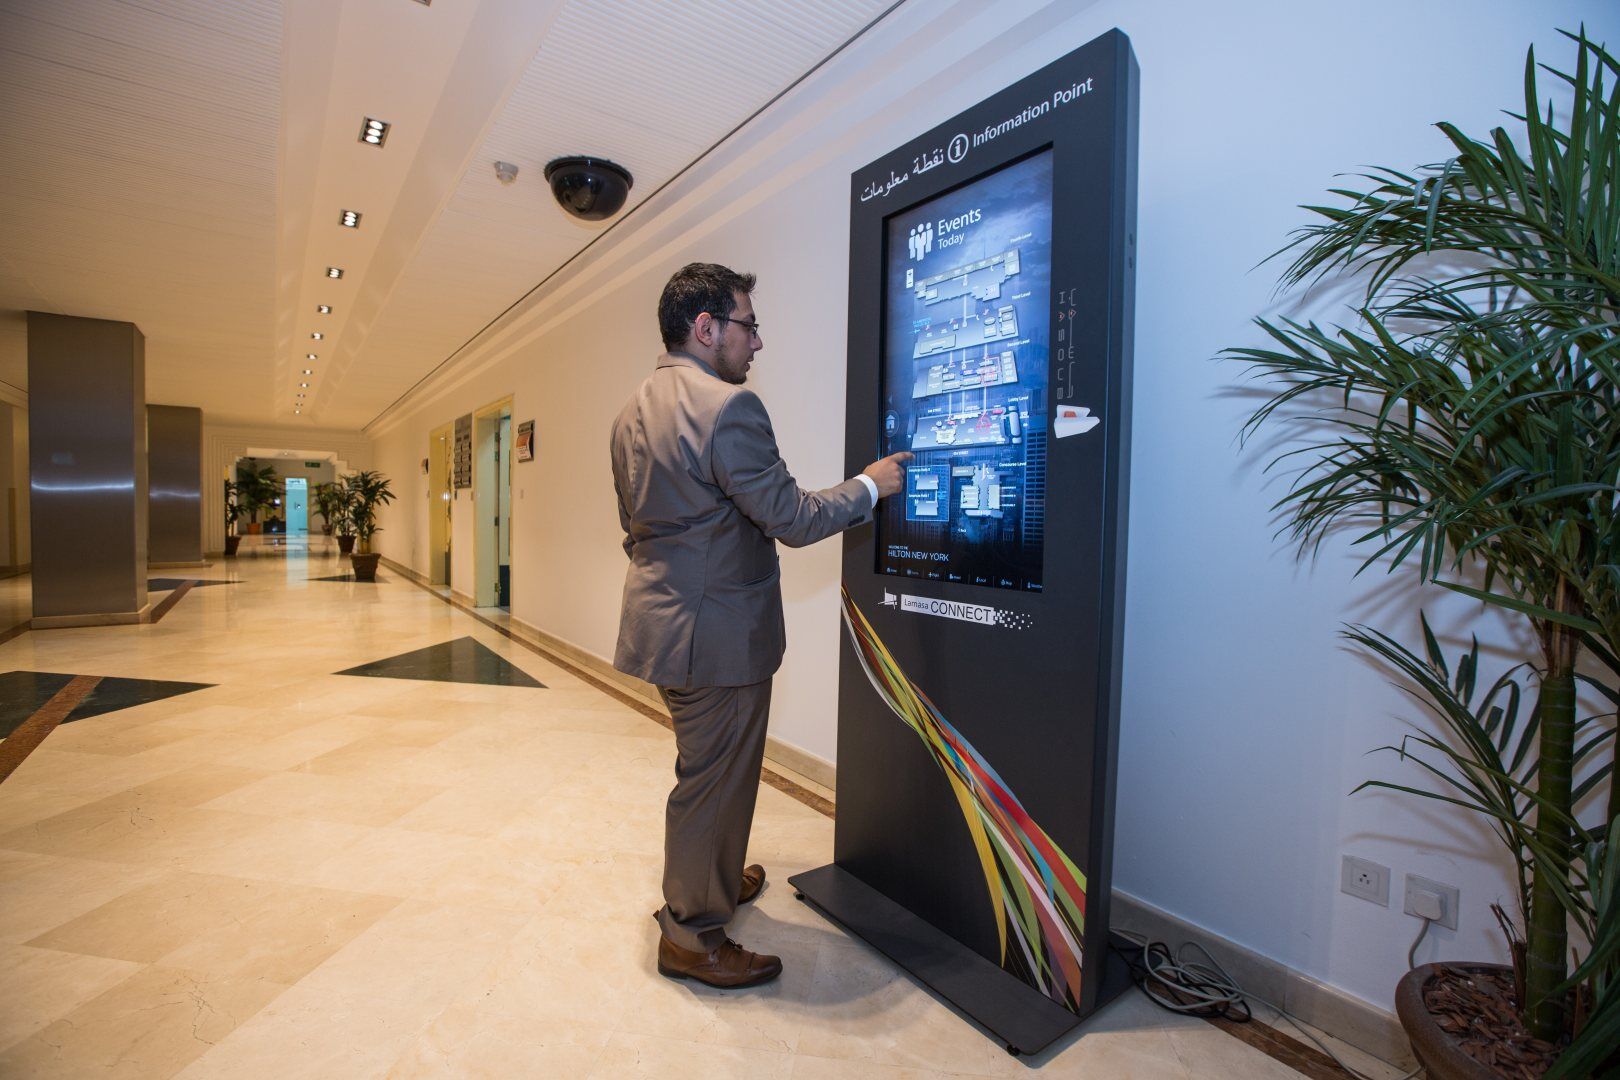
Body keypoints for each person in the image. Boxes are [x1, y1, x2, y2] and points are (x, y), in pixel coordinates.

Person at [610, 262, 910, 988]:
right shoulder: (726, 409)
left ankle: (708, 882)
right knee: (711, 785)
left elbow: (638, 527)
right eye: (748, 325)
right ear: (706, 328)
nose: (758, 342)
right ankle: (691, 933)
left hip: (661, 626)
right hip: (716, 639)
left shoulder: (631, 412)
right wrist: (872, 485)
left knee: (713, 774)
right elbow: (795, 519)